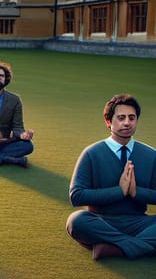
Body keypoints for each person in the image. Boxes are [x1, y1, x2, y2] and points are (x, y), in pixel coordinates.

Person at [66, 94, 156, 260]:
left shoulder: (151, 155)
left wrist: (136, 192)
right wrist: (120, 191)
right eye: (121, 118)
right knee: (76, 220)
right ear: (108, 121)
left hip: (138, 223)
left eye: (132, 117)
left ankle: (111, 249)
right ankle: (139, 247)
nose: (127, 122)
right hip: (101, 222)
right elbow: (76, 196)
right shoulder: (91, 153)